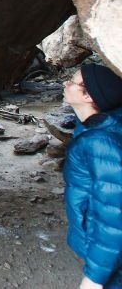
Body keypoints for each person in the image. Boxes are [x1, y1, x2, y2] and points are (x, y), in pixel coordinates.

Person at [63, 63, 122, 289]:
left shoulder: (101, 143)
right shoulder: (94, 126)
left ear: (88, 96)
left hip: (112, 259)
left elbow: (113, 217)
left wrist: (94, 279)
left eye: (73, 82)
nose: (65, 84)